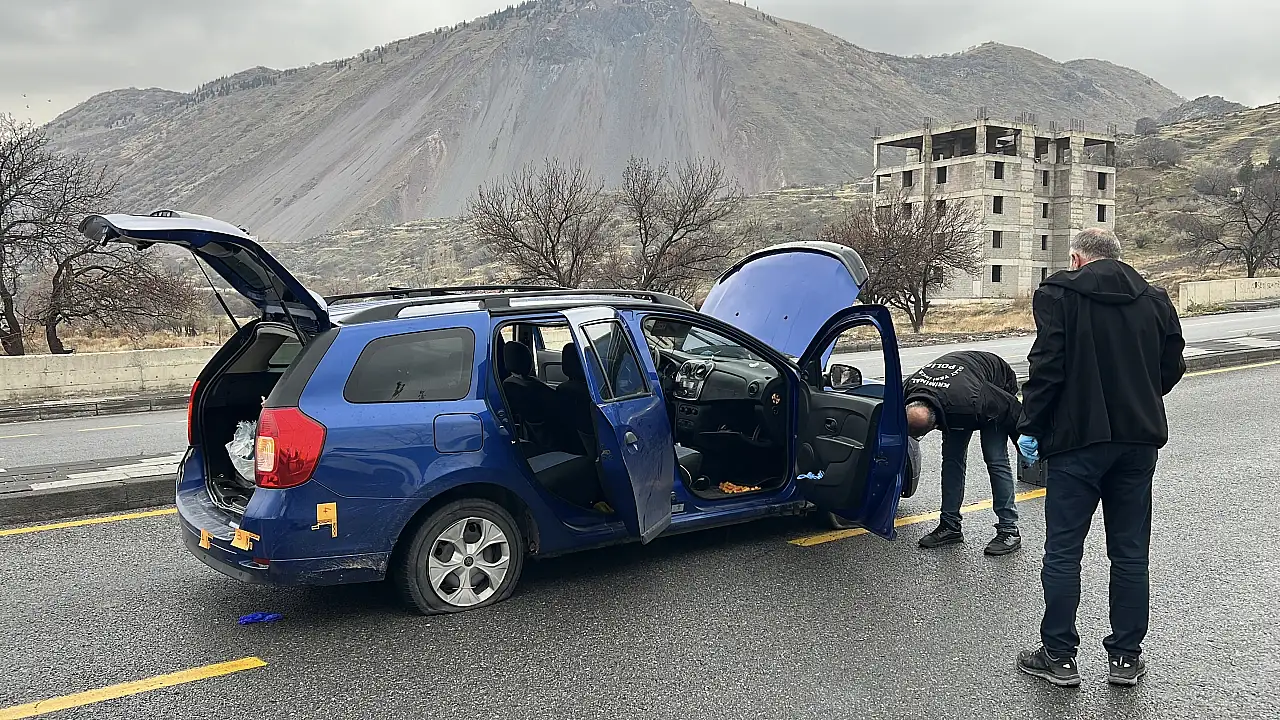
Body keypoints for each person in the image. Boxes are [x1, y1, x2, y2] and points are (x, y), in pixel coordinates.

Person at [1015, 228, 1185, 688]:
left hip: (1077, 441)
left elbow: (1048, 366)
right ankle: (1126, 657)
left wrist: (1030, 424)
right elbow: (1173, 365)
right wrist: (1142, 396)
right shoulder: (1154, 299)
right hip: (1138, 442)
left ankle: (1059, 655)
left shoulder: (1059, 295)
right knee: (1130, 552)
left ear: (1076, 259)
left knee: (1064, 550)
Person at [903, 350, 1023, 555]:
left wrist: (1025, 444)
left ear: (935, 424)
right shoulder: (906, 391)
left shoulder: (973, 401)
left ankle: (1009, 530)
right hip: (960, 387)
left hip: (997, 385)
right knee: (951, 460)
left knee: (995, 458)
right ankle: (950, 526)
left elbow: (1011, 408)